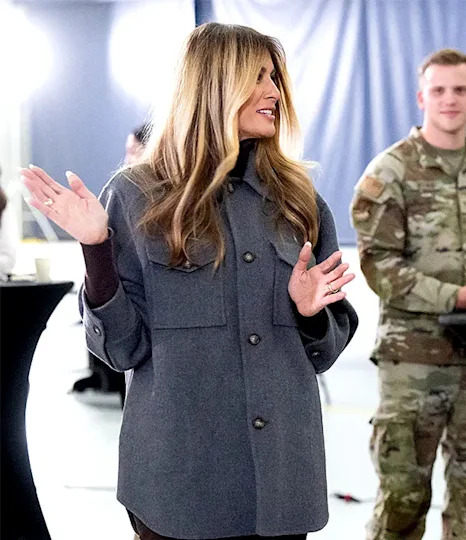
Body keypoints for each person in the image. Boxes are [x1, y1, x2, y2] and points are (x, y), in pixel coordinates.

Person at [20, 23, 358, 540]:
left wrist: (309, 314)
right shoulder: (136, 195)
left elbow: (327, 348)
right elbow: (121, 350)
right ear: (214, 84)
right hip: (180, 484)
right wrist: (96, 247)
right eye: (258, 77)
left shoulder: (299, 202)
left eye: (276, 78)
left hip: (281, 483)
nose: (275, 93)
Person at [350, 48, 466, 539]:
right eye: (438, 90)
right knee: (403, 499)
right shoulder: (388, 174)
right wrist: (457, 297)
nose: (449, 100)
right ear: (421, 98)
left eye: (459, 90)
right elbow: (379, 266)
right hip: (413, 363)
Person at [74, 123, 152, 398]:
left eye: (134, 150)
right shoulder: (123, 194)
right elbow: (123, 345)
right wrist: (94, 247)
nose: (128, 158)